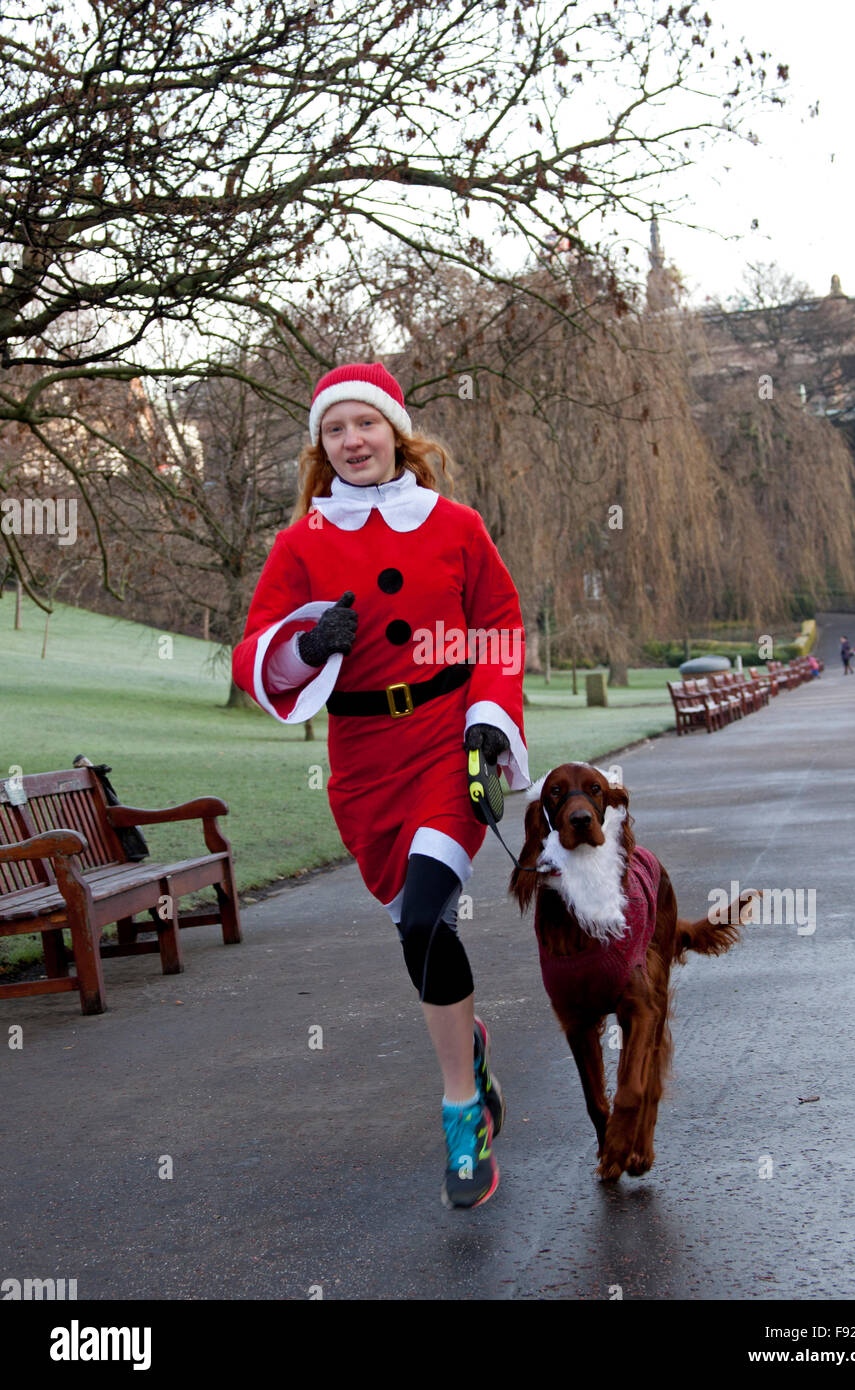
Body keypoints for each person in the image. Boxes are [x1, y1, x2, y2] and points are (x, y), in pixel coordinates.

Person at [232, 363, 530, 1211]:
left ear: (396, 433)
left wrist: (489, 717)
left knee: (429, 917)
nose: (352, 441)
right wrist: (304, 644)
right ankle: (467, 1044)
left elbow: (500, 625)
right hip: (362, 762)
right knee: (412, 933)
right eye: (335, 430)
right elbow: (254, 651)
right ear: (320, 447)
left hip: (446, 740)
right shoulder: (301, 542)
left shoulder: (456, 525)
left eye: (366, 424)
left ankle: (460, 1112)